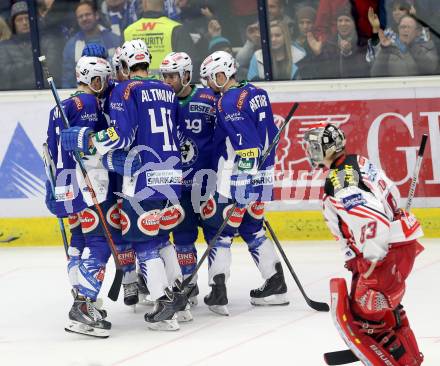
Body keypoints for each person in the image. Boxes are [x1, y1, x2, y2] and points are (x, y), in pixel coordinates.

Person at [60, 39, 189, 331]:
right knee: (159, 239)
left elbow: (122, 136)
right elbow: (178, 134)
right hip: (170, 175)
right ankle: (178, 294)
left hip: (141, 178)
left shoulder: (125, 89)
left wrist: (88, 141)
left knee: (144, 243)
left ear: (125, 66)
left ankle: (163, 302)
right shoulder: (167, 90)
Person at [303, 123, 424, 366]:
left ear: (328, 149)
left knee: (366, 312)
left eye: (315, 147)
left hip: (385, 252)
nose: (311, 152)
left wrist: (371, 260)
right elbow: (389, 194)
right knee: (384, 309)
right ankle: (408, 352)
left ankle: (399, 359)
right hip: (399, 246)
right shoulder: (356, 161)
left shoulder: (339, 182)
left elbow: (374, 220)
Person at [45, 55, 139, 337]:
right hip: (88, 186)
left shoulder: (61, 106)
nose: (107, 84)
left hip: (65, 185)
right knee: (100, 241)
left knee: (80, 240)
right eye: (104, 79)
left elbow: (52, 147)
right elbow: (89, 147)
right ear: (94, 79)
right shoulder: (86, 104)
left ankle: (81, 296)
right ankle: (84, 305)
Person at [199, 51, 289, 316]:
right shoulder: (258, 92)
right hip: (264, 175)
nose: (209, 85)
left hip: (237, 177)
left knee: (222, 232)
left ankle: (218, 292)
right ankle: (276, 283)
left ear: (221, 73)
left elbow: (247, 147)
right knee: (253, 228)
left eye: (210, 78)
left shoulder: (227, 101)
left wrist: (243, 184)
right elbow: (269, 136)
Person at [159, 51, 217, 307]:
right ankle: (189, 284)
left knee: (216, 235)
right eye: (164, 76)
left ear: (186, 75)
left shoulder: (208, 97)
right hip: (178, 185)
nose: (167, 81)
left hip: (208, 182)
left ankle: (219, 286)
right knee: (182, 237)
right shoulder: (161, 102)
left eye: (172, 76)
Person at [123, 0, 195, 77]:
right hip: (168, 87)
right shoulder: (176, 28)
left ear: (144, 3)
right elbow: (189, 66)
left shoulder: (128, 31)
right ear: (164, 4)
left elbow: (122, 68)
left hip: (136, 87)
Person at [62, 0, 121, 88]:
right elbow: (67, 79)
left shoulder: (114, 39)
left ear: (96, 15)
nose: (84, 18)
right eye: (80, 16)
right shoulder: (71, 45)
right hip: (83, 95)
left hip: (113, 92)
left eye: (87, 14)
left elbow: (122, 70)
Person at [0, 1, 57, 90]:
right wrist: (36, 64)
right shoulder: (4, 46)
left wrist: (22, 70)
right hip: (16, 93)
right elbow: (6, 72)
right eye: (19, 20)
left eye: (27, 18)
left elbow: (52, 66)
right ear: (13, 24)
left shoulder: (47, 40)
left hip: (46, 90)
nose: (24, 23)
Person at [371, 14, 438, 76]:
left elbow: (431, 69)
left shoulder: (428, 46)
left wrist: (412, 45)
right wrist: (385, 50)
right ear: (398, 30)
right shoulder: (390, 48)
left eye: (409, 27)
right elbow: (375, 74)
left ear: (417, 32)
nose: (405, 30)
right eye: (403, 27)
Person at [319, 9, 370, 79]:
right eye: (340, 20)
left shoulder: (363, 43)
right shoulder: (329, 43)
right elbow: (325, 71)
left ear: (354, 23)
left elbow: (364, 70)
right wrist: (318, 54)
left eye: (347, 20)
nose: (343, 24)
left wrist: (348, 54)